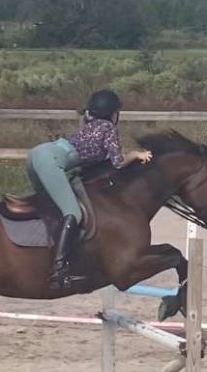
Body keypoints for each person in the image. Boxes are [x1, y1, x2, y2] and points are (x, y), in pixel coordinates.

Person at [26, 89, 152, 289]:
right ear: (113, 113)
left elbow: (93, 163)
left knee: (51, 207)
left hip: (37, 154)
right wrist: (136, 154)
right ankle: (59, 270)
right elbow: (117, 163)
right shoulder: (108, 128)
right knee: (72, 212)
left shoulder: (89, 125)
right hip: (49, 160)